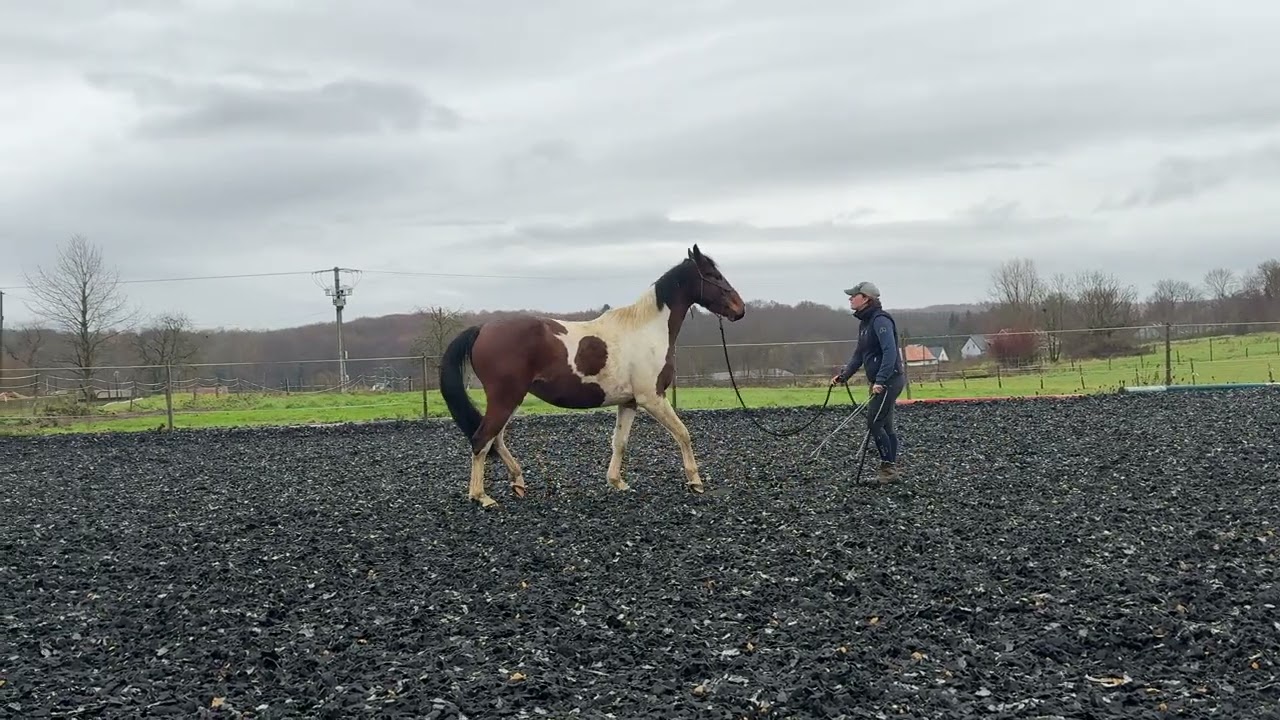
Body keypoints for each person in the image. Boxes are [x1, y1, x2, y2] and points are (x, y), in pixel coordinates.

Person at [830, 281, 907, 483]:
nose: (850, 298)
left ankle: (888, 470)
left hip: (889, 381)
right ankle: (890, 471)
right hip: (881, 381)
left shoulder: (880, 321)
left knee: (874, 422)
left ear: (865, 298)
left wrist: (880, 380)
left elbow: (890, 352)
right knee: (886, 425)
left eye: (853, 295)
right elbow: (859, 354)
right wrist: (844, 375)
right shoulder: (865, 323)